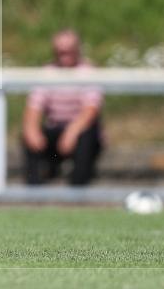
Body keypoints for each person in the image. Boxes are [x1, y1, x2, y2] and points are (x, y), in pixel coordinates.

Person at [22, 29, 103, 185]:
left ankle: (78, 189)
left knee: (86, 136)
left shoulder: (88, 72)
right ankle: (33, 190)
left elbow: (91, 109)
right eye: (60, 52)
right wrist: (31, 129)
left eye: (68, 52)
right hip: (56, 129)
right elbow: (34, 105)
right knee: (28, 135)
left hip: (80, 130)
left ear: (77, 50)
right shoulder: (48, 72)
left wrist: (72, 132)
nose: (64, 56)